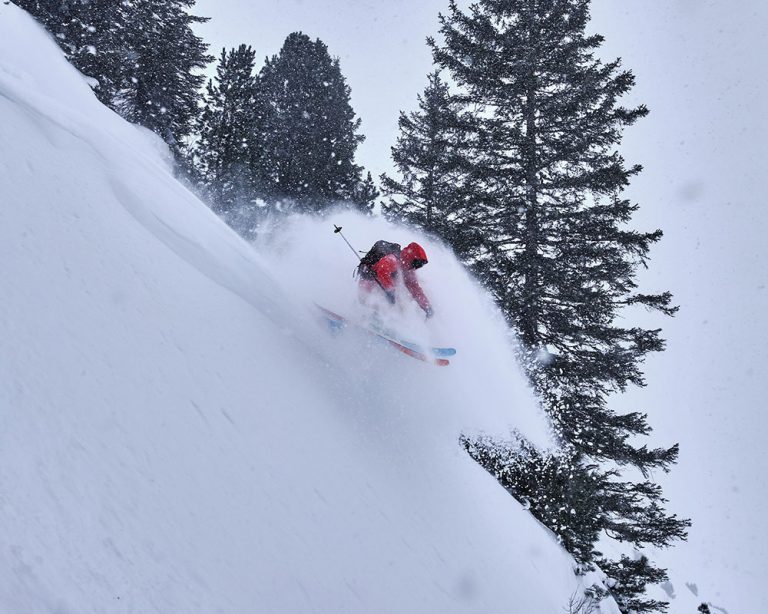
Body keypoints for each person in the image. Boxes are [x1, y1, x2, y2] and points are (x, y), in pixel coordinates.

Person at [357, 241, 434, 318]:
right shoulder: (393, 259)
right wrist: (390, 290)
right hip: (369, 278)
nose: (415, 267)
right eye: (416, 263)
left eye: (419, 265)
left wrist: (427, 307)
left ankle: (379, 319)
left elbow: (415, 288)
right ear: (410, 257)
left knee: (393, 304)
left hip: (381, 287)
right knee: (367, 300)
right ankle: (360, 314)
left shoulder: (407, 271)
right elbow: (382, 270)